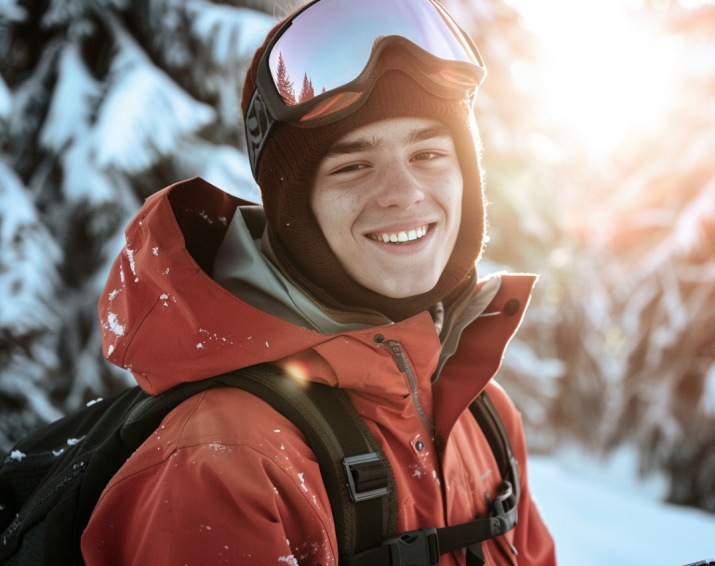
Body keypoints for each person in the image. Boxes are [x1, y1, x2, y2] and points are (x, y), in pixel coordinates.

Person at [80, 0, 556, 563]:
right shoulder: (226, 459)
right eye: (352, 165)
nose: (404, 193)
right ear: (295, 211)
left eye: (428, 152)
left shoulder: (483, 414)